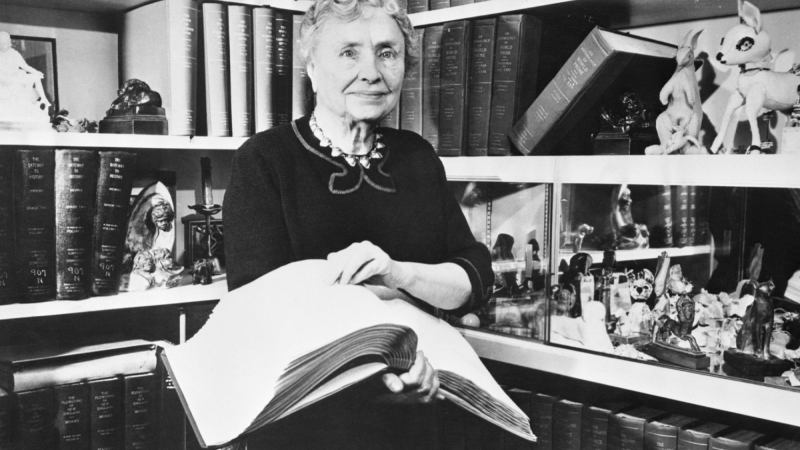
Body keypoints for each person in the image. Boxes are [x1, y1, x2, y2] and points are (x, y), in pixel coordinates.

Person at [223, 0, 493, 447]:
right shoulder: (266, 160)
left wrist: (398, 273)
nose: (372, 72)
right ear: (312, 67)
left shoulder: (417, 156)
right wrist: (388, 363)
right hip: (311, 424)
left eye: (387, 52)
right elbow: (260, 312)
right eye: (349, 52)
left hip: (417, 419)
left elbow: (474, 274)